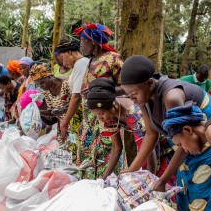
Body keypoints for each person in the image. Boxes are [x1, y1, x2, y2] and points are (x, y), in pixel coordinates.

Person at [119, 55, 211, 211]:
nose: (132, 98)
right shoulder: (143, 99)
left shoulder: (171, 97)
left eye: (134, 93)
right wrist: (133, 168)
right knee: (185, 190)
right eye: (128, 94)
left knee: (204, 193)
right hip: (187, 145)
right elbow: (151, 134)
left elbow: (186, 140)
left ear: (149, 83)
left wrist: (163, 179)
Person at [73, 23, 124, 179]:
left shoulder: (113, 59)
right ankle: (90, 190)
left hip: (107, 117)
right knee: (87, 157)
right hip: (89, 120)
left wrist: (102, 92)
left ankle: (106, 187)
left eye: (84, 41)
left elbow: (127, 87)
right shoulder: (91, 61)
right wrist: (83, 119)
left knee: (107, 153)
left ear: (94, 41)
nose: (81, 44)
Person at [86, 78, 158, 179]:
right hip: (147, 147)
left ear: (113, 105)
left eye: (102, 113)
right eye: (97, 115)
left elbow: (150, 147)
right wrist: (104, 178)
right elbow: (117, 147)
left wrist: (151, 179)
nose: (100, 118)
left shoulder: (134, 114)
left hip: (160, 143)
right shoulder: (110, 116)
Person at [53, 39, 89, 140]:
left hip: (83, 115)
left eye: (62, 58)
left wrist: (65, 122)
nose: (63, 63)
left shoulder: (81, 63)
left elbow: (77, 96)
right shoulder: (78, 65)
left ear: (69, 52)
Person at [30, 63, 71, 138]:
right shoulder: (46, 92)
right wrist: (36, 111)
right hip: (63, 126)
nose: (41, 86)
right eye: (38, 85)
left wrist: (64, 110)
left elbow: (78, 102)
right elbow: (52, 112)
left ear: (49, 76)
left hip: (75, 121)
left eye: (42, 82)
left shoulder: (66, 84)